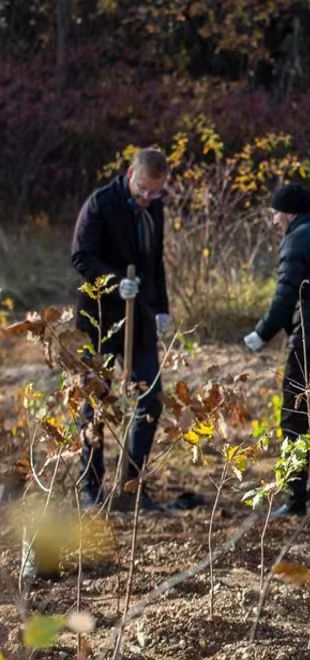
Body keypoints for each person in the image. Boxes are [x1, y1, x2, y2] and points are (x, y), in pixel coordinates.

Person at [71, 147, 173, 510]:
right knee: (95, 404)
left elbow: (154, 260)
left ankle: (132, 486)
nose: (147, 198)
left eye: (155, 192)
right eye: (143, 189)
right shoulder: (100, 204)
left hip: (140, 317)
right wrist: (115, 283)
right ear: (131, 173)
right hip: (98, 318)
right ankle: (91, 488)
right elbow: (81, 256)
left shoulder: (154, 209)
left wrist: (161, 307)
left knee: (150, 399)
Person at [243, 183, 310, 518]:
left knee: (294, 421)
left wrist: (261, 333)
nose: (274, 219)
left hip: (308, 345)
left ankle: (294, 501)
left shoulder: (297, 240)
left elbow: (285, 294)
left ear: (288, 212)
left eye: (276, 213)